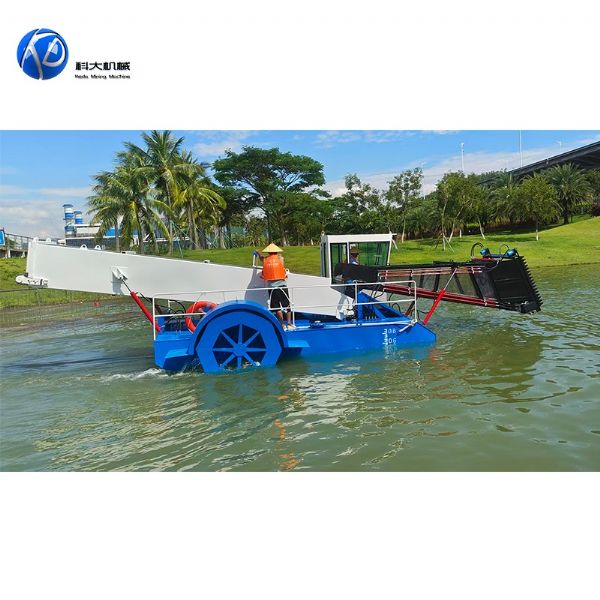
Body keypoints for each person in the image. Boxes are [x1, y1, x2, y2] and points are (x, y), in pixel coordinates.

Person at [254, 243, 294, 330]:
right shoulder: (280, 259)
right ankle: (290, 324)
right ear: (276, 251)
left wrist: (258, 252)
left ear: (268, 252)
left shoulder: (265, 260)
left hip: (272, 287)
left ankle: (282, 325)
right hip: (282, 286)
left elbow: (261, 257)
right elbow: (280, 260)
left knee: (277, 307)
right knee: (287, 305)